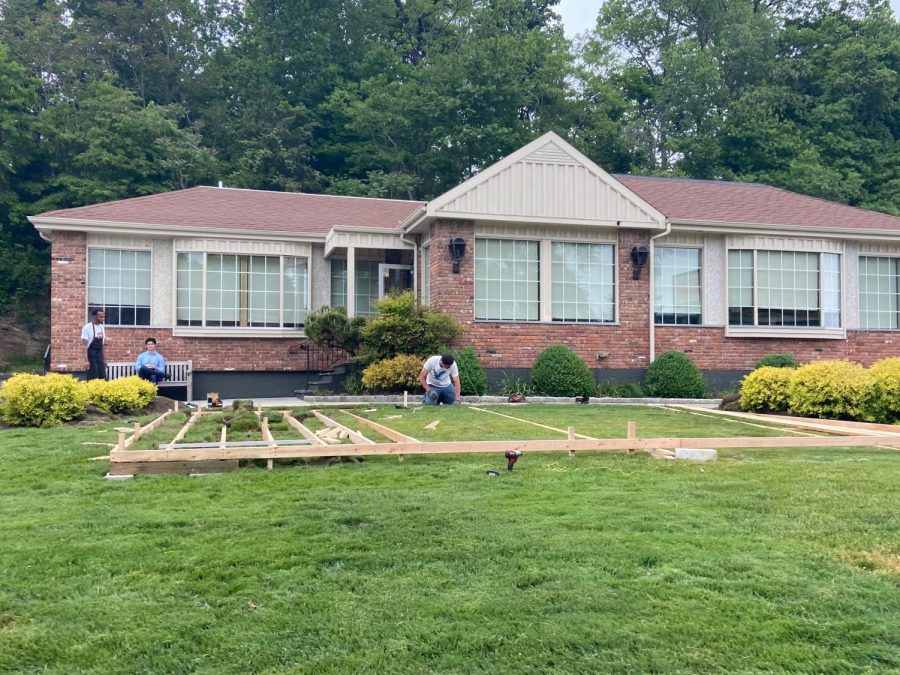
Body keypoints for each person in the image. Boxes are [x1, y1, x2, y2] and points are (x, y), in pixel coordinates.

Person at [80, 309, 109, 380]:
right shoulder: (87, 328)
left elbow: (102, 345)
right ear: (94, 316)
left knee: (102, 375)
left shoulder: (101, 327)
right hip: (91, 354)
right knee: (93, 374)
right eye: (101, 317)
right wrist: (86, 361)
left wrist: (104, 359)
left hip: (99, 354)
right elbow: (84, 345)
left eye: (103, 317)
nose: (103, 319)